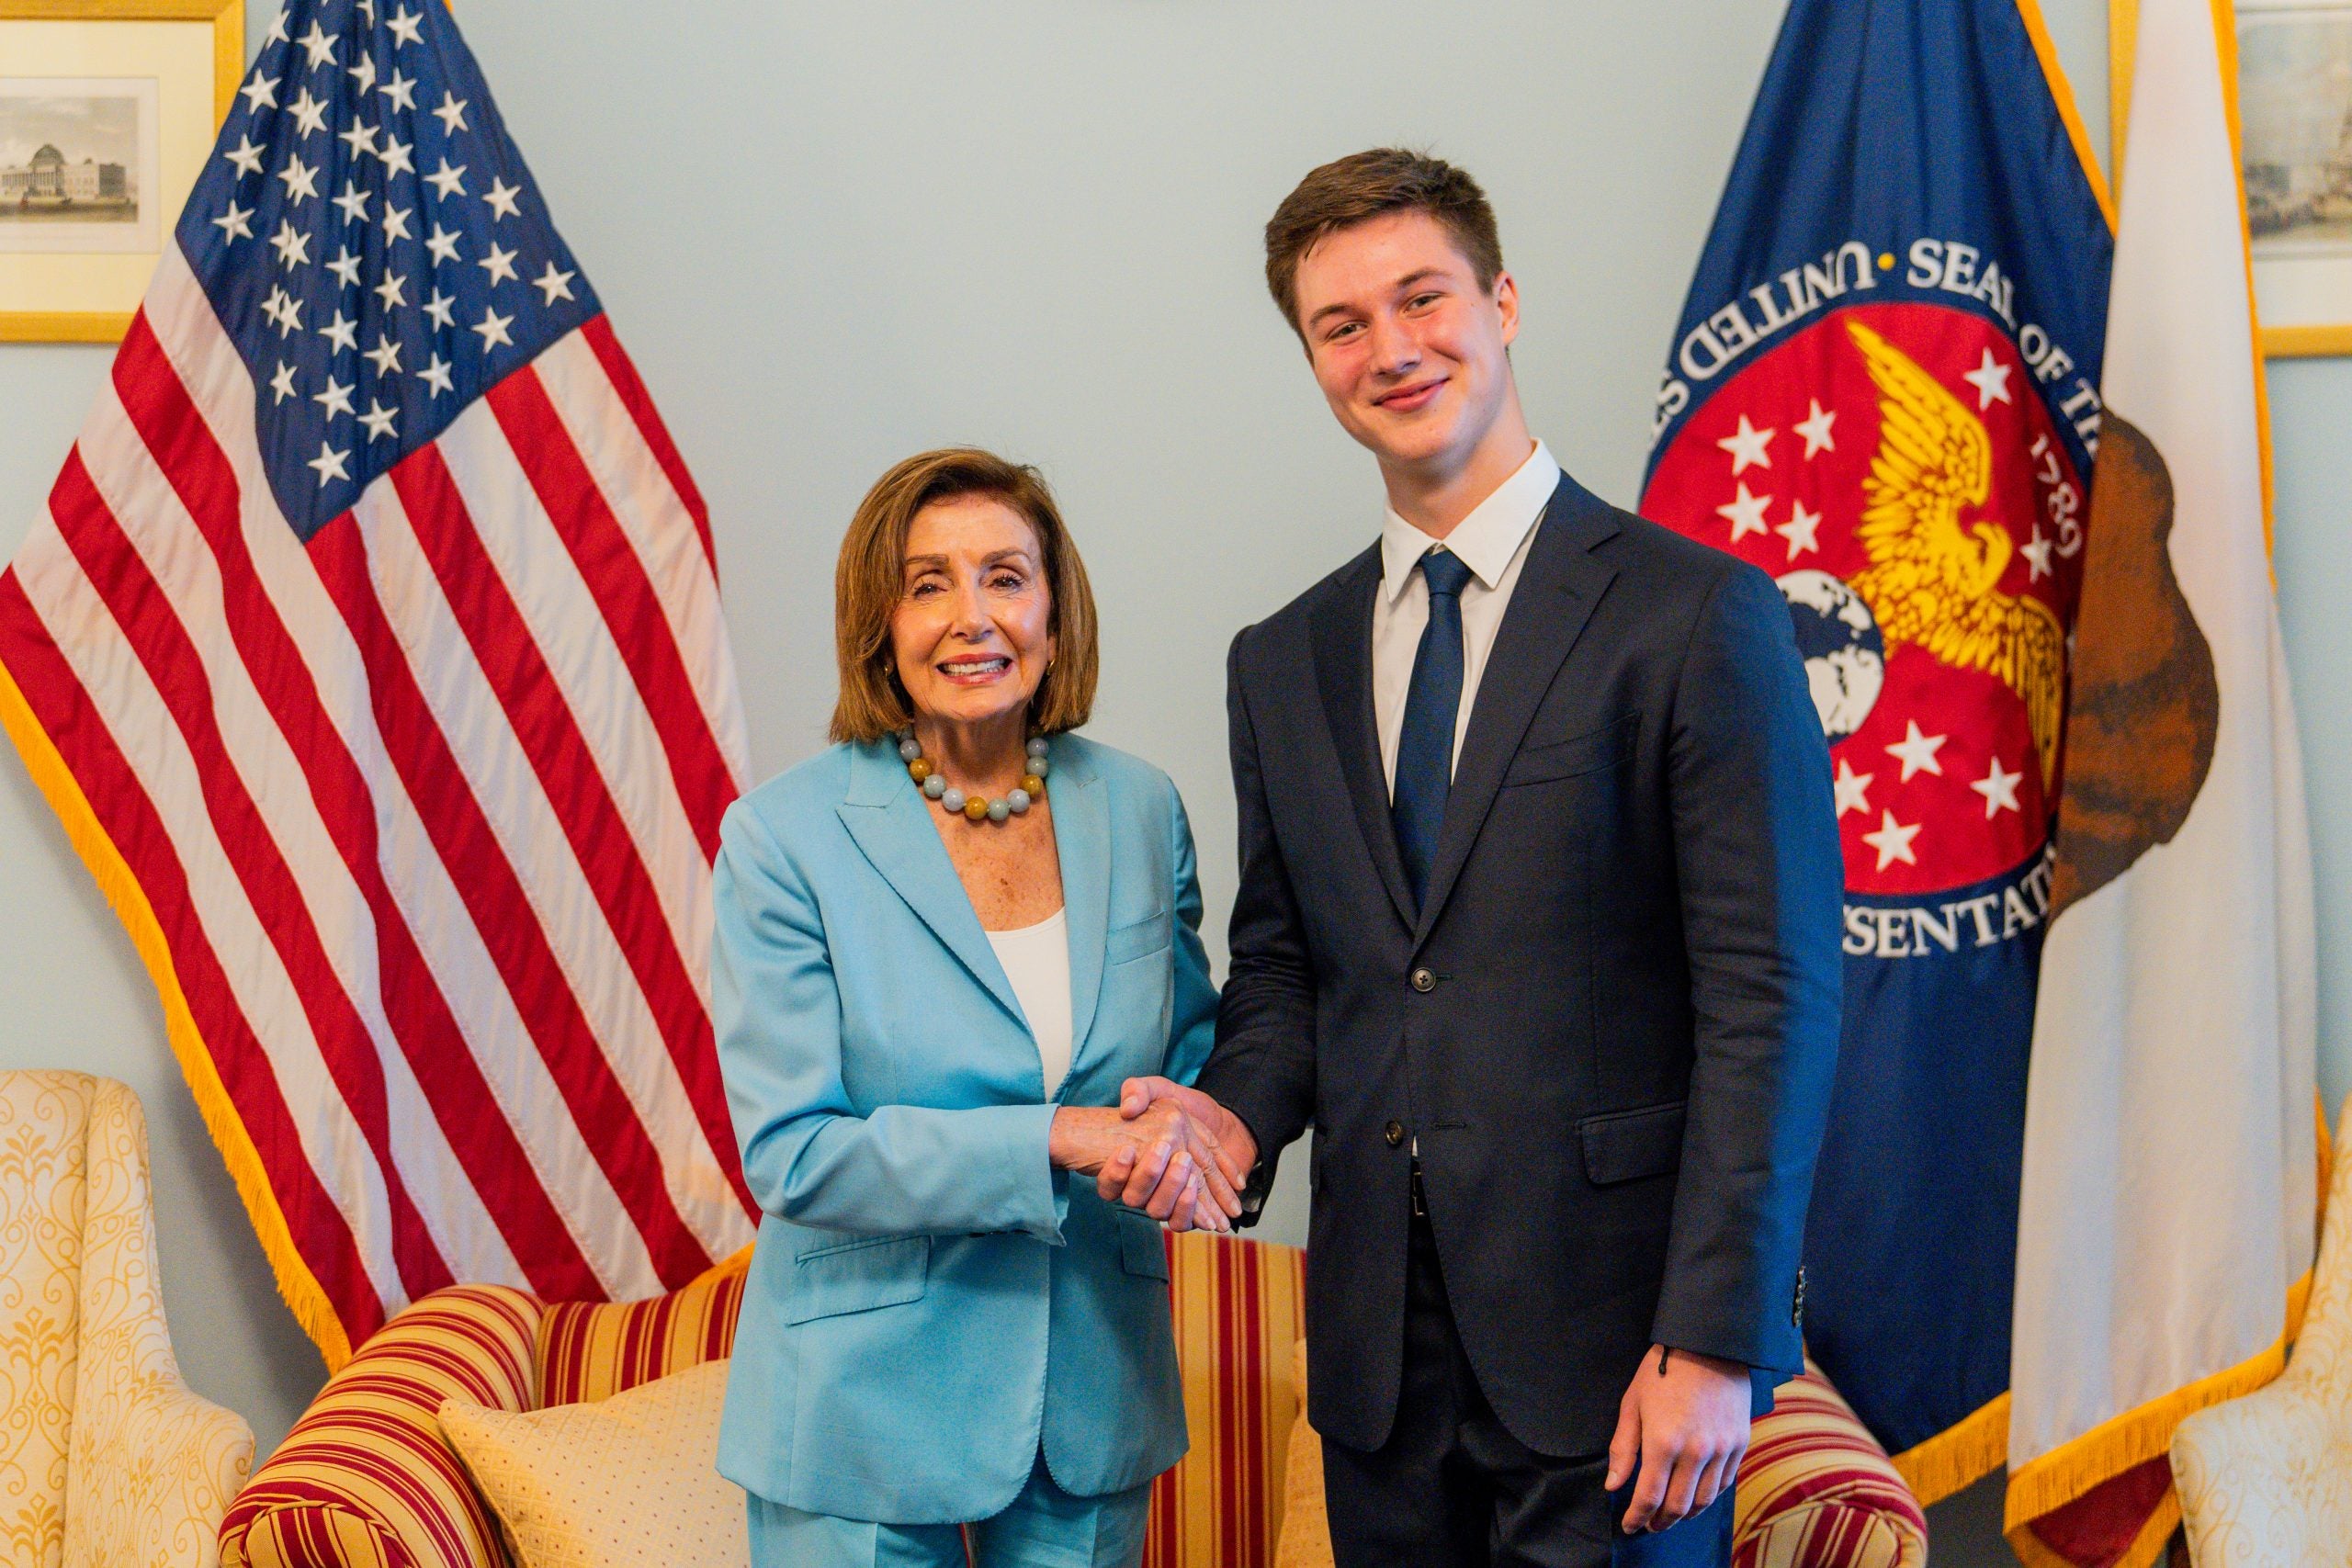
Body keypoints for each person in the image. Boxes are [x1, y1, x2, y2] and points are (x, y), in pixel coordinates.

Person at [1114, 150, 1845, 1566]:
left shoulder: (1696, 616)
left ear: (1502, 302)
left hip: (1624, 1362)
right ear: (1312, 358)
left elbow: (1773, 998)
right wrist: (1230, 1121)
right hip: (1382, 1372)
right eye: (1342, 324)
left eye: (1422, 298)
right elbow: (1285, 970)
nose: (1391, 348)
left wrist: (1716, 1334)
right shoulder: (1282, 659)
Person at [710, 447, 1242, 1568]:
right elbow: (796, 1153)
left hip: (1091, 1393)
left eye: (1005, 576)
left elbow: (1188, 1060)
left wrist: (1181, 1126)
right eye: (927, 583)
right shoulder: (783, 839)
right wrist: (1058, 1135)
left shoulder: (1143, 809)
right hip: (859, 1414)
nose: (972, 616)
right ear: (880, 622)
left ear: (1055, 609)